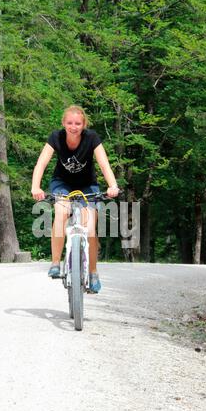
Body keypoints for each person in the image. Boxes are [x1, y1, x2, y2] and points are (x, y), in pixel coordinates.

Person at [31, 105, 119, 293]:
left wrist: (112, 185)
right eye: (70, 123)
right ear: (64, 123)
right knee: (61, 212)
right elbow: (42, 163)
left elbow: (104, 164)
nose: (73, 126)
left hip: (87, 185)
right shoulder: (56, 137)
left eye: (78, 123)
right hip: (62, 183)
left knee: (90, 228)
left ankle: (93, 272)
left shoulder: (92, 138)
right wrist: (35, 187)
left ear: (84, 124)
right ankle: (55, 262)